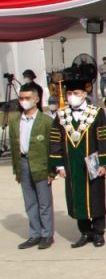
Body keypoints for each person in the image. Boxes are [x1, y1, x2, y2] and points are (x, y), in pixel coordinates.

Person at [49, 79, 106, 247]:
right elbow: (55, 141)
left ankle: (99, 233)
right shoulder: (61, 115)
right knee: (76, 198)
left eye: (76, 93)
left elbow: (103, 138)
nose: (73, 97)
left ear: (85, 94)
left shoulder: (96, 113)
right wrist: (59, 166)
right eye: (69, 94)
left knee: (96, 197)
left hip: (92, 162)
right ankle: (85, 232)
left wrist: (104, 163)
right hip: (71, 164)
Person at [10, 84, 55, 249]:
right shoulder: (16, 121)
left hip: (41, 164)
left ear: (36, 99)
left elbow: (53, 148)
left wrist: (52, 170)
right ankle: (34, 234)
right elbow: (15, 148)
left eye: (27, 98)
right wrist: (17, 170)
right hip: (23, 162)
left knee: (44, 202)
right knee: (30, 202)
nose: (24, 101)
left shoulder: (46, 121)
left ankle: (47, 234)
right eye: (21, 98)